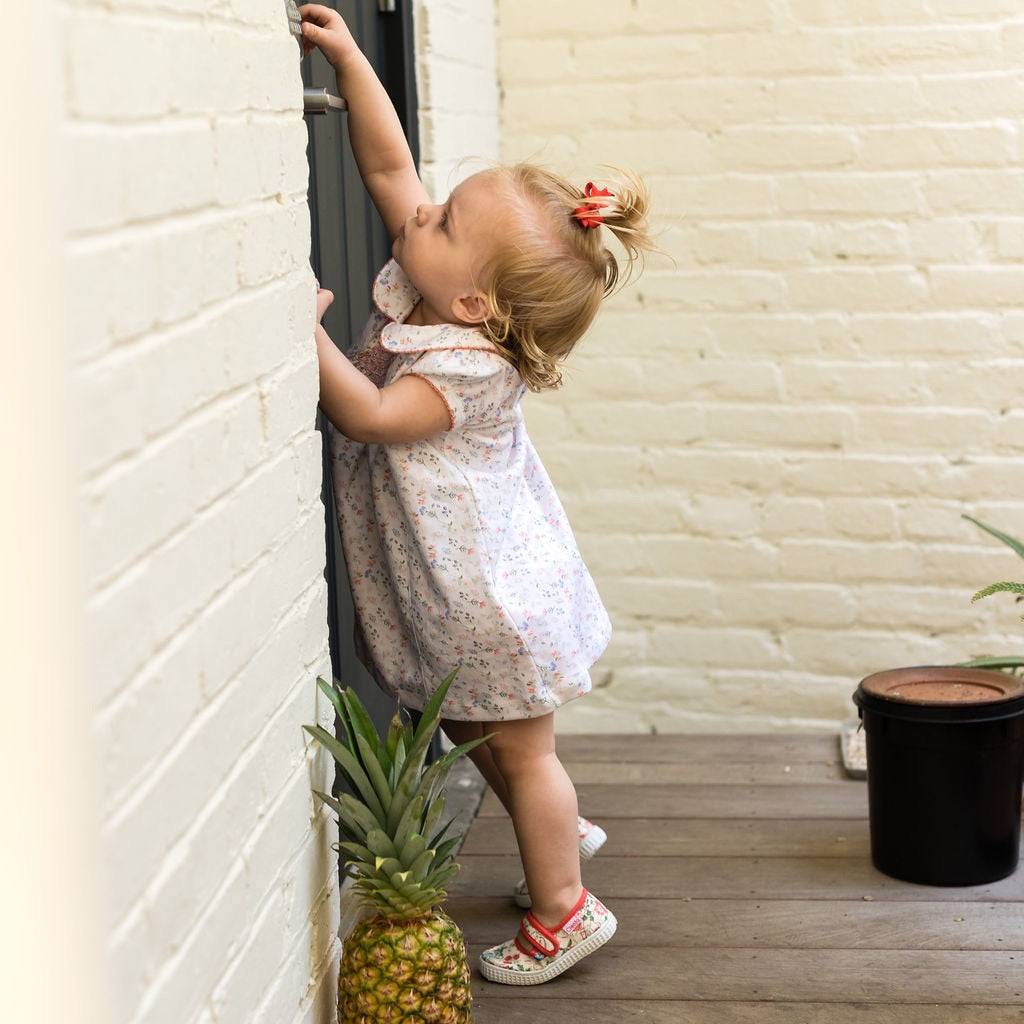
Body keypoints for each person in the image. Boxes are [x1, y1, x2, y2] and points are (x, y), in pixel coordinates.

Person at [300, 4, 657, 986]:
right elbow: (390, 170)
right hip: (469, 592)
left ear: (474, 303)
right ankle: (554, 833)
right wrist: (350, 59)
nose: (423, 215)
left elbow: (368, 416)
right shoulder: (437, 286)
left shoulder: (464, 368)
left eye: (446, 220)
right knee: (473, 729)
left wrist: (304, 333)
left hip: (494, 603)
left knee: (527, 755)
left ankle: (564, 906)